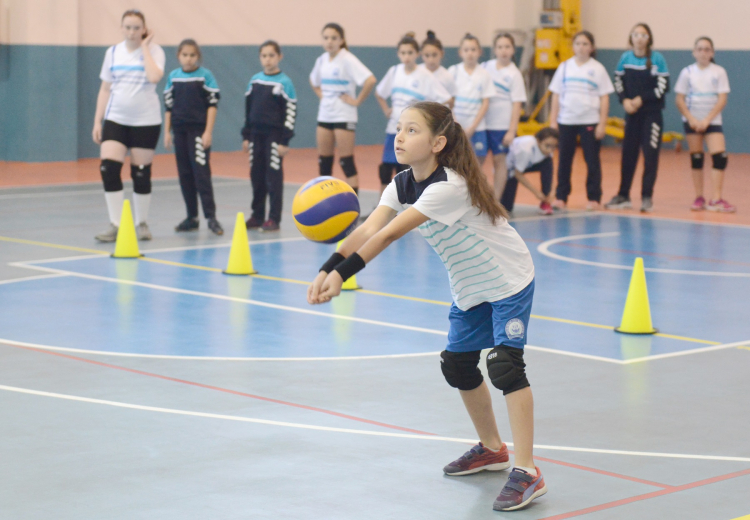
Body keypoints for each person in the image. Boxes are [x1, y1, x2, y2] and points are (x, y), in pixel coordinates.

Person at [307, 101, 546, 512]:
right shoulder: (401, 183)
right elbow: (369, 227)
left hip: (507, 279)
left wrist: (342, 275)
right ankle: (492, 449)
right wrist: (326, 268)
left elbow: (387, 236)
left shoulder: (448, 186)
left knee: (505, 365)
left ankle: (527, 471)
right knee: (457, 365)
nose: (399, 137)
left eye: (412, 130)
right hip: (469, 285)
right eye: (399, 128)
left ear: (438, 143)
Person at [92, 9, 165, 242]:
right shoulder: (112, 53)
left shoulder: (155, 51)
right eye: (128, 27)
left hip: (146, 121)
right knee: (108, 168)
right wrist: (97, 120)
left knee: (141, 173)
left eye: (136, 28)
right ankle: (116, 224)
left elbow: (154, 77)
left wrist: (145, 47)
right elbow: (105, 88)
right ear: (121, 28)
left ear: (144, 29)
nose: (132, 32)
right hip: (116, 119)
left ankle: (141, 223)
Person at [375, 32, 451, 195]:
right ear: (398, 54)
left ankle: (407, 204)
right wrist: (386, 110)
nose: (406, 56)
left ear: (417, 54)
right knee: (386, 169)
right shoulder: (394, 71)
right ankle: (383, 204)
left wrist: (428, 120)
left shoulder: (425, 76)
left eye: (410, 52)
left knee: (405, 169)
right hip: (393, 129)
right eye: (403, 53)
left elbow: (446, 100)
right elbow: (380, 93)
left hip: (412, 132)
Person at [606, 23, 669, 213]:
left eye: (643, 35)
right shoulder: (625, 58)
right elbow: (618, 81)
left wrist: (642, 99)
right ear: (631, 38)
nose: (639, 38)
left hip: (652, 115)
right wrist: (624, 100)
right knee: (628, 155)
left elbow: (663, 86)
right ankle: (623, 195)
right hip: (632, 115)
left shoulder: (657, 59)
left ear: (649, 39)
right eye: (636, 35)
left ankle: (647, 197)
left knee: (650, 156)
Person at [163, 39, 223, 235]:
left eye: (192, 55)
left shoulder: (205, 76)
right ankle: (192, 217)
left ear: (198, 56)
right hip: (179, 132)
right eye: (185, 55)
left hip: (198, 132)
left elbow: (212, 106)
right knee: (185, 175)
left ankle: (211, 217)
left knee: (201, 174)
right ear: (178, 56)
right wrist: (167, 132)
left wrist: (208, 132)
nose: (188, 59)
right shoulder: (173, 77)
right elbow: (169, 107)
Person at [549, 31, 614, 211]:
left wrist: (602, 123)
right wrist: (553, 122)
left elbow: (604, 97)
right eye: (578, 43)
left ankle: (594, 197)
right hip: (566, 120)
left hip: (589, 121)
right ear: (573, 46)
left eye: (585, 44)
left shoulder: (598, 69)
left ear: (592, 47)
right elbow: (556, 95)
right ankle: (561, 197)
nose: (581, 47)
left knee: (592, 161)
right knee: (564, 160)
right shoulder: (564, 67)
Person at [309, 23, 376, 195]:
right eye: (326, 38)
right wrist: (322, 96)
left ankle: (353, 204)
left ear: (341, 40)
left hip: (344, 115)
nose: (329, 41)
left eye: (334, 38)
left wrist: (357, 101)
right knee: (324, 162)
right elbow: (313, 81)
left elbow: (370, 80)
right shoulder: (321, 60)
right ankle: (324, 201)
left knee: (346, 161)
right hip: (325, 115)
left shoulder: (347, 59)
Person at [242, 40, 297, 232]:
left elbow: (291, 113)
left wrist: (284, 140)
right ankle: (257, 216)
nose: (268, 59)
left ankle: (274, 218)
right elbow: (248, 110)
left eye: (271, 55)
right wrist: (246, 136)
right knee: (256, 177)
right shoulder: (255, 81)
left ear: (279, 57)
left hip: (274, 137)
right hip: (255, 136)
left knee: (273, 178)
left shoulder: (285, 83)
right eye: (264, 56)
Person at [674, 36, 734, 212]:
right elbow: (679, 99)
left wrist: (707, 120)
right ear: (694, 52)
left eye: (707, 49)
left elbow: (722, 99)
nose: (703, 53)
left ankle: (716, 199)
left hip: (712, 120)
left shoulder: (719, 72)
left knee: (720, 157)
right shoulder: (687, 72)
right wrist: (691, 119)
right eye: (699, 49)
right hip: (692, 121)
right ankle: (699, 197)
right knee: (697, 158)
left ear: (712, 53)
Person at [482, 33, 527, 201]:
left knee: (499, 161)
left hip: (501, 126)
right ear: (495, 50)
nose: (503, 50)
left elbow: (517, 104)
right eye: (500, 47)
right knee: (476, 162)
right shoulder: (485, 67)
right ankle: (477, 198)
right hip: (482, 123)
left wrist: (511, 130)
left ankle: (496, 201)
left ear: (513, 50)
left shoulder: (514, 74)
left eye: (507, 47)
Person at [448, 34, 494, 161]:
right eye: (466, 50)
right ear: (460, 52)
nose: (470, 53)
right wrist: (456, 123)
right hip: (456, 126)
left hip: (477, 128)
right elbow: (448, 100)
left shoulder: (484, 74)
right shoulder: (453, 71)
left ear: (480, 52)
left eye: (473, 49)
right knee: (455, 160)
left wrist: (473, 127)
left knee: (478, 161)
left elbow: (485, 103)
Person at [500, 128, 559, 215]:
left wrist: (551, 192)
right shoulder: (525, 150)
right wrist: (536, 193)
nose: (550, 150)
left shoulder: (547, 150)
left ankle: (545, 202)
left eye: (554, 147)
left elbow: (549, 172)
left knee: (547, 163)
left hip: (525, 165)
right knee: (506, 208)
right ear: (538, 141)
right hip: (509, 168)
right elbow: (517, 173)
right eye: (547, 146)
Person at [419, 30, 457, 106]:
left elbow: (452, 100)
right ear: (421, 54)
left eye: (434, 55)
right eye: (427, 55)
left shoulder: (447, 76)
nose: (431, 60)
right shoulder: (417, 72)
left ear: (441, 53)